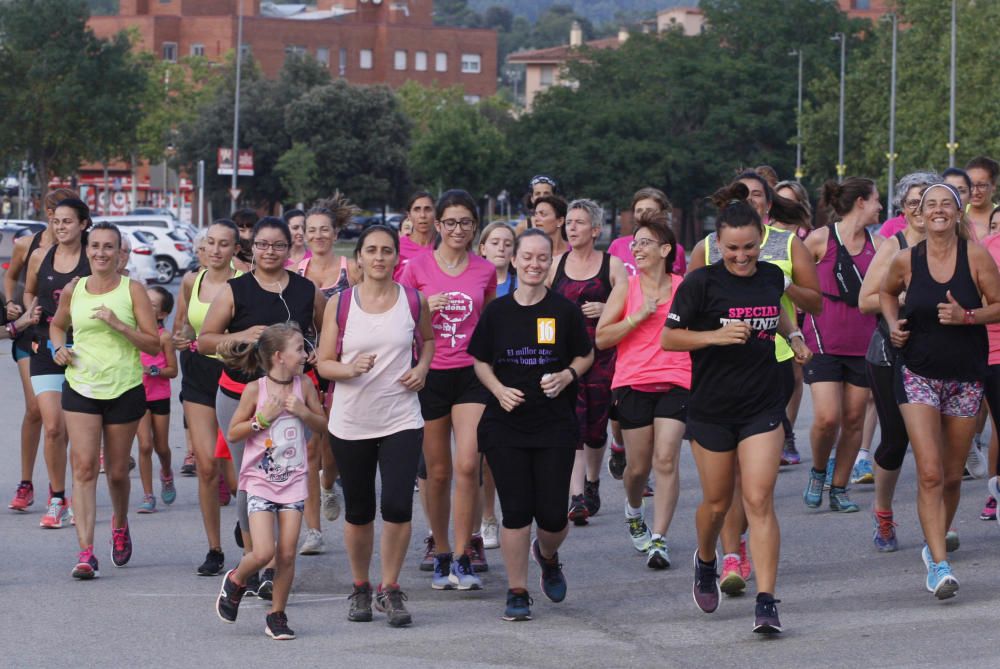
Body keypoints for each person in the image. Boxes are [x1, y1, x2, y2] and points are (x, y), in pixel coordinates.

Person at [662, 186, 812, 635]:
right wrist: (714, 337)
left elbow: (778, 313)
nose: (741, 257)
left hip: (763, 402)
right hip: (711, 408)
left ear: (761, 238)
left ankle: (767, 600)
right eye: (732, 249)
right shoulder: (700, 283)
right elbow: (670, 338)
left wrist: (795, 336)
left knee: (759, 499)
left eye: (748, 247)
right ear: (718, 243)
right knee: (715, 502)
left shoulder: (770, 275)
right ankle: (706, 558)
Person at [880, 182, 1000, 599]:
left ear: (957, 211)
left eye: (945, 204)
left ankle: (936, 543)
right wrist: (893, 324)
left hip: (966, 376)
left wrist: (968, 316)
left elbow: (999, 304)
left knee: (951, 475)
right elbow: (885, 292)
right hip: (917, 373)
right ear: (919, 214)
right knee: (929, 470)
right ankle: (939, 563)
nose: (936, 211)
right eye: (929, 205)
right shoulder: (906, 260)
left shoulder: (976, 255)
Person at [469, 228, 594, 621]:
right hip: (506, 425)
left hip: (554, 424)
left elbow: (586, 354)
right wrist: (498, 389)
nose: (534, 264)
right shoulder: (497, 311)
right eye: (528, 257)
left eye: (542, 258)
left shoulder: (564, 311)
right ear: (515, 260)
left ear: (549, 263)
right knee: (517, 511)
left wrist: (568, 376)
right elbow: (479, 360)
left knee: (553, 516)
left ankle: (548, 554)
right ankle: (517, 590)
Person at [199, 217, 325, 590]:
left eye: (278, 245)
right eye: (263, 245)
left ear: (290, 249)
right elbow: (205, 340)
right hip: (240, 394)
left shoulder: (306, 290)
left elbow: (326, 333)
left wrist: (316, 356)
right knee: (249, 479)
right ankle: (254, 560)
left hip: (290, 399)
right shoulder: (236, 290)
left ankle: (274, 565)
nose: (269, 252)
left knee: (284, 473)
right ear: (251, 249)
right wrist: (241, 335)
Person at [317, 225, 434, 627]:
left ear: (396, 257)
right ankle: (361, 586)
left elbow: (429, 341)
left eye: (387, 251)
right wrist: (349, 369)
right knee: (361, 509)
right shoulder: (341, 304)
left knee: (399, 505)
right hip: (351, 421)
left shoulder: (414, 301)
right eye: (371, 251)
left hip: (401, 417)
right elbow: (323, 362)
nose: (379, 258)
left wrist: (421, 368)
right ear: (360, 258)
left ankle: (390, 587)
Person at [48, 220, 161, 579]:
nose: (100, 253)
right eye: (94, 246)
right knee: (82, 468)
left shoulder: (133, 291)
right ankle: (85, 552)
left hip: (124, 388)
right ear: (87, 250)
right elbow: (56, 324)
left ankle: (120, 522)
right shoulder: (74, 289)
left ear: (119, 253)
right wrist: (59, 347)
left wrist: (119, 325)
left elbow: (153, 343)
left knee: (115, 472)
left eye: (108, 247)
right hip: (80, 386)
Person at [399, 189, 497, 590]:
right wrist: (422, 303)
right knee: (437, 473)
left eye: (466, 222)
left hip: (472, 373)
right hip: (431, 373)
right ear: (437, 225)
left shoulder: (485, 270)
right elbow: (398, 317)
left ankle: (463, 555)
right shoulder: (417, 268)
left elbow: (490, 322)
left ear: (475, 226)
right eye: (451, 222)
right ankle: (440, 552)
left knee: (469, 465)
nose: (459, 229)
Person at [214, 323, 327, 640]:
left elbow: (323, 425)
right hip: (260, 481)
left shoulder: (304, 386)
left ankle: (276, 615)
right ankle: (237, 579)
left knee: (287, 554)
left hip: (293, 481)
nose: (305, 355)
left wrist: (303, 412)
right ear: (279, 356)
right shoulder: (255, 390)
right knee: (263, 552)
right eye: (299, 350)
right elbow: (234, 432)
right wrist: (260, 419)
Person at [595, 210, 691, 569]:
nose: (636, 249)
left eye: (645, 243)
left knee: (666, 458)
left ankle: (660, 539)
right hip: (633, 381)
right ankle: (634, 509)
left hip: (677, 379)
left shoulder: (684, 288)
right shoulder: (626, 289)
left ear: (666, 249)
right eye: (634, 244)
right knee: (637, 468)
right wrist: (637, 317)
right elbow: (602, 338)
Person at [858, 172, 941, 552]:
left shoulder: (957, 244)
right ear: (905, 211)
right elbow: (865, 300)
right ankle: (884, 514)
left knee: (939, 444)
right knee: (896, 438)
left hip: (943, 349)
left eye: (929, 200)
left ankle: (938, 526)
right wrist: (906, 298)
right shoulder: (895, 245)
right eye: (913, 203)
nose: (922, 209)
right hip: (893, 351)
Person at [801, 178, 883, 513]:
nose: (880, 206)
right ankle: (819, 470)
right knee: (826, 417)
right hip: (822, 340)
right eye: (877, 200)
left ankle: (839, 487)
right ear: (861, 202)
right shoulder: (820, 239)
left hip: (863, 343)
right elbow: (790, 278)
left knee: (853, 419)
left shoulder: (879, 246)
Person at [549, 198, 627, 525]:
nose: (572, 227)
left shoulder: (612, 265)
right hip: (566, 356)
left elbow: (628, 306)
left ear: (595, 229)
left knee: (595, 428)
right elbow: (542, 308)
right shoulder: (556, 265)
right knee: (573, 424)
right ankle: (577, 495)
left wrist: (605, 306)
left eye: (579, 222)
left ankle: (593, 481)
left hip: (603, 355)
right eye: (569, 222)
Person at [172, 219, 243, 576]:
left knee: (237, 475)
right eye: (210, 242)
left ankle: (246, 525)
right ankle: (214, 549)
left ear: (235, 249)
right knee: (205, 466)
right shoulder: (191, 280)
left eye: (224, 244)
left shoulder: (244, 282)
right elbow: (184, 325)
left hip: (233, 373)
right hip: (198, 373)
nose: (216, 250)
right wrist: (182, 338)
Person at [5, 187, 77, 512]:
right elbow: (14, 278)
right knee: (36, 409)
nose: (56, 219)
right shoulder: (28, 245)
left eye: (64, 214)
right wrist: (16, 304)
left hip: (69, 338)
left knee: (63, 418)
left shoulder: (81, 249)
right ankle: (26, 482)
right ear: (46, 212)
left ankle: (59, 487)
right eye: (52, 212)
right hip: (31, 333)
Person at [22, 197, 93, 529]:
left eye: (68, 221)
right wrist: (30, 310)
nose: (61, 227)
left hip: (86, 349)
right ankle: (56, 498)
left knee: (79, 432)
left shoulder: (93, 257)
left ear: (82, 224)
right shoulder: (40, 255)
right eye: (56, 221)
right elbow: (29, 290)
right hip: (46, 345)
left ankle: (80, 495)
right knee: (52, 426)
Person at [298, 193, 360, 541]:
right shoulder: (297, 272)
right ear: (304, 235)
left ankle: (327, 483)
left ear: (335, 233)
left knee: (331, 446)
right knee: (308, 446)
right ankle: (313, 530)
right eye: (312, 230)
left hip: (340, 366)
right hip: (305, 366)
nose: (318, 236)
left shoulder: (350, 269)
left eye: (325, 230)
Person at [477, 221, 517, 550]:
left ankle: (497, 516)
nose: (501, 248)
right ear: (483, 248)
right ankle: (485, 517)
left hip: (512, 374)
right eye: (495, 242)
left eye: (508, 243)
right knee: (471, 457)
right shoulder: (475, 282)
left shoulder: (522, 285)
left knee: (495, 455)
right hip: (477, 371)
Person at [135, 286, 178, 514]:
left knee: (161, 447)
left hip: (159, 395)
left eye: (151, 305)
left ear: (162, 314)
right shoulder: (133, 333)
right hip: (137, 394)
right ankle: (148, 495)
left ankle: (167, 473)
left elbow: (173, 371)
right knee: (144, 445)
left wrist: (154, 371)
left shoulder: (164, 337)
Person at [395, 192, 437, 280]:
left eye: (428, 209)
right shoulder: (396, 247)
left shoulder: (444, 247)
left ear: (436, 214)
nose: (422, 215)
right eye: (417, 209)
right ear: (409, 215)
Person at [964, 156, 999, 242]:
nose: (975, 192)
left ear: (994, 185)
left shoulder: (998, 215)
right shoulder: (958, 214)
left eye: (982, 186)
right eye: (970, 185)